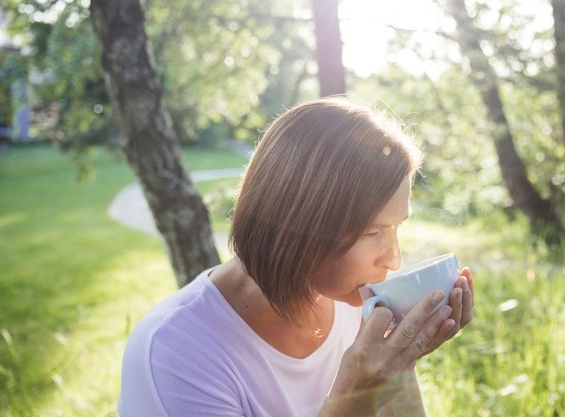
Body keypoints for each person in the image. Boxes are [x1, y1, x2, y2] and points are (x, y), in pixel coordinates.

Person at [118, 97, 474, 416]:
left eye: (397, 228)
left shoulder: (360, 311)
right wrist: (354, 399)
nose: (394, 260)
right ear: (296, 221)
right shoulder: (177, 353)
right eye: (372, 233)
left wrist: (398, 363)